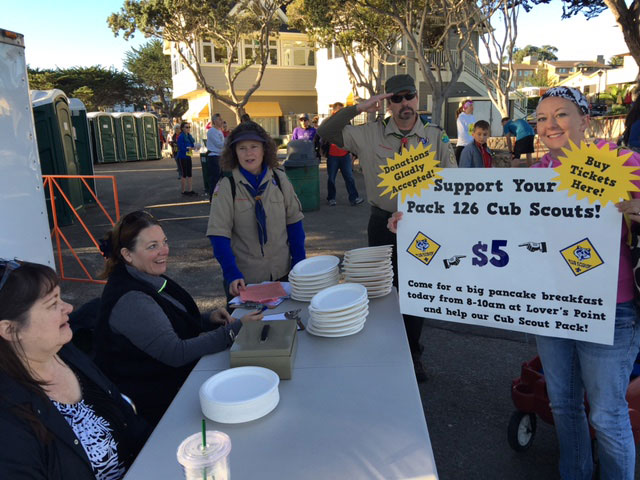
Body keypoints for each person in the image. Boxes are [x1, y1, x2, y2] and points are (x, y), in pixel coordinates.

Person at [317, 73, 457, 382]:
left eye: (408, 96)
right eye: (396, 99)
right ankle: (383, 349)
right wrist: (359, 107)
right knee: (381, 288)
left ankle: (412, 352)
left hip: (423, 226)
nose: (404, 104)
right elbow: (327, 130)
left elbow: (452, 183)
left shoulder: (435, 136)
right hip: (382, 222)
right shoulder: (368, 134)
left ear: (417, 99)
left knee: (416, 290)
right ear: (387, 103)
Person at [532, 86, 640, 480]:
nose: (549, 125)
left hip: (611, 309)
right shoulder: (538, 172)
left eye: (560, 114)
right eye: (542, 118)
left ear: (585, 121)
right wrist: (418, 223)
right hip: (552, 306)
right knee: (562, 404)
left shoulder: (620, 160)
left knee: (607, 413)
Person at [95, 211, 263, 426]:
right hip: (158, 405)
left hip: (172, 383)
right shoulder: (131, 299)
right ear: (127, 254)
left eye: (164, 242)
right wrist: (234, 331)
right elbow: (176, 352)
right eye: (152, 246)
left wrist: (207, 319)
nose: (163, 251)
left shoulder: (143, 274)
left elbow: (165, 320)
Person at [0, 260, 149, 480]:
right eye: (52, 304)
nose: (69, 307)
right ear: (10, 330)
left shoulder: (66, 354)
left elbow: (130, 422)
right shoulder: (9, 419)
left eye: (61, 297)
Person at [206, 121, 306, 299]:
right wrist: (231, 273)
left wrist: (299, 265)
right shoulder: (227, 186)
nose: (248, 153)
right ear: (234, 152)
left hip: (283, 276)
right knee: (247, 326)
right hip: (245, 281)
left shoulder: (279, 179)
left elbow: (294, 223)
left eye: (254, 146)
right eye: (242, 148)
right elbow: (219, 235)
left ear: (264, 149)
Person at [323, 102, 364, 206]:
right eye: (340, 111)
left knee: (349, 177)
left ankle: (354, 198)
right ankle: (331, 198)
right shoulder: (327, 122)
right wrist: (322, 153)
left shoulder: (347, 122)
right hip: (332, 157)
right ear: (334, 112)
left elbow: (352, 137)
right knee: (331, 178)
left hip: (345, 156)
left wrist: (353, 153)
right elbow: (321, 138)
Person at [205, 113, 225, 199]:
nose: (222, 121)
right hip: (214, 156)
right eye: (219, 120)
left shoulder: (219, 131)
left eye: (221, 119)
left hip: (220, 156)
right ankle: (213, 198)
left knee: (220, 178)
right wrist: (228, 142)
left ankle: (218, 196)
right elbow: (219, 144)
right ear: (215, 121)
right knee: (215, 178)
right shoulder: (212, 131)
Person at [176, 121, 196, 195]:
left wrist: (194, 147)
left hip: (188, 156)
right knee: (184, 174)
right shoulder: (181, 136)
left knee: (189, 173)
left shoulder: (189, 136)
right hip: (182, 156)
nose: (188, 129)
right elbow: (181, 147)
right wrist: (189, 148)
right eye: (186, 127)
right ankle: (183, 191)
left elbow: (192, 144)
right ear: (182, 128)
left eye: (189, 127)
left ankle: (190, 190)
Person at [455, 99, 476, 165]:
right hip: (462, 146)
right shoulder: (461, 118)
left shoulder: (472, 117)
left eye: (472, 105)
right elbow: (463, 133)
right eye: (470, 105)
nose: (472, 107)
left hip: (471, 146)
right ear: (465, 107)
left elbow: (471, 131)